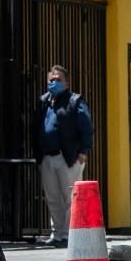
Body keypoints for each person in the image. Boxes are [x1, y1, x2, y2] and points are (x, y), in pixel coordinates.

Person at [32, 65, 94, 248]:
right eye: (51, 80)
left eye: (58, 79)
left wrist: (83, 152)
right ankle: (57, 234)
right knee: (52, 198)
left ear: (66, 82)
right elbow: (35, 129)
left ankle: (68, 235)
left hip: (68, 157)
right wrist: (38, 156)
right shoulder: (44, 102)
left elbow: (87, 127)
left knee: (69, 198)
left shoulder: (75, 102)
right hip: (47, 158)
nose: (54, 83)